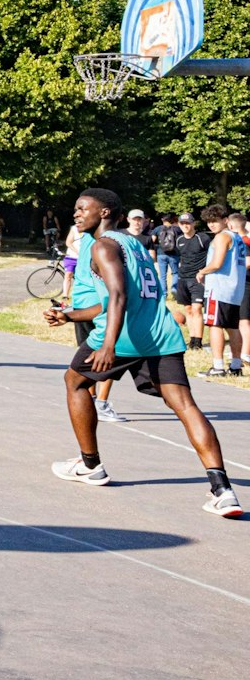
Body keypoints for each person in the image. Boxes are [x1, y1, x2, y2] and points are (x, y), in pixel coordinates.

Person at [44, 188, 241, 518]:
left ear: (104, 212)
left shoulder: (103, 246)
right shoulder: (133, 243)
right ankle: (222, 490)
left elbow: (118, 296)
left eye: (82, 209)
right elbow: (109, 300)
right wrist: (68, 315)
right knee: (185, 405)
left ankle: (91, 464)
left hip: (125, 336)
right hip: (161, 335)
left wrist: (108, 344)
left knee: (75, 382)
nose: (76, 214)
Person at [196, 205, 246, 380]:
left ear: (225, 220)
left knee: (215, 325)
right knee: (232, 327)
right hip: (234, 290)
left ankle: (218, 366)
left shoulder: (222, 237)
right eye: (209, 222)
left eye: (215, 221)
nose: (211, 225)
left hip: (219, 288)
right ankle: (236, 365)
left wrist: (202, 271)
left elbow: (217, 263)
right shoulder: (237, 237)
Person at [170, 212, 210, 352]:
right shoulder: (179, 239)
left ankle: (198, 341)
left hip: (198, 278)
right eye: (182, 223)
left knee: (197, 308)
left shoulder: (202, 238)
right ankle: (192, 339)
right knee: (188, 309)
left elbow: (212, 255)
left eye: (188, 223)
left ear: (194, 223)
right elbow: (180, 257)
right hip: (183, 278)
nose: (185, 226)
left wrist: (204, 272)